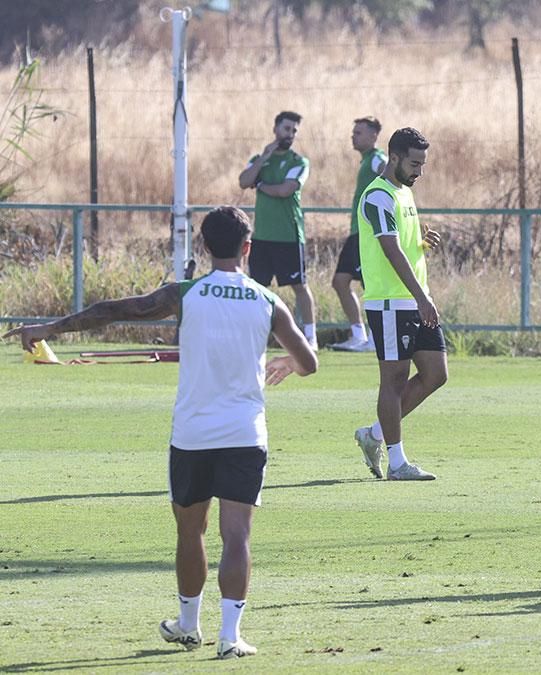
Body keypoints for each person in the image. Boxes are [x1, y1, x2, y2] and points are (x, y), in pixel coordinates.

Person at [4, 206, 318, 659]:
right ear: (248, 248)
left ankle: (188, 624)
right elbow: (309, 362)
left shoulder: (185, 294)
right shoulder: (268, 303)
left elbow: (111, 311)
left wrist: (48, 328)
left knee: (190, 534)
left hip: (192, 435)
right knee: (238, 537)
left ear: (204, 247)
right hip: (245, 435)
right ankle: (230, 637)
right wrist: (287, 363)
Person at [352, 127, 448, 481]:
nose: (419, 171)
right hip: (390, 303)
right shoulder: (377, 196)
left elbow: (401, 245)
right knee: (393, 381)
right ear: (393, 158)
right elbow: (389, 251)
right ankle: (397, 463)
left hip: (413, 298)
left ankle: (373, 435)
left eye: (422, 164)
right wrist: (422, 297)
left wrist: (420, 244)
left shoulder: (403, 192)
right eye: (414, 163)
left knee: (437, 374)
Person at [237, 110, 317, 349]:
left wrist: (259, 184)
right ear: (275, 129)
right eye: (286, 129)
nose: (290, 134)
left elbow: (285, 190)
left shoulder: (298, 162)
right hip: (262, 236)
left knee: (299, 286)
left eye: (294, 131)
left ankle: (310, 337)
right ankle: (254, 333)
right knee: (257, 287)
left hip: (288, 236)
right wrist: (263, 158)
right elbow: (243, 181)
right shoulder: (261, 158)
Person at [330, 116, 388, 352]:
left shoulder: (376, 159)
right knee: (340, 282)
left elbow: (390, 175)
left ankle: (375, 339)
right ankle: (359, 335)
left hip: (368, 234)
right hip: (357, 233)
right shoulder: (365, 161)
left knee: (370, 285)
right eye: (353, 132)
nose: (353, 136)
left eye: (359, 133)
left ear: (374, 136)